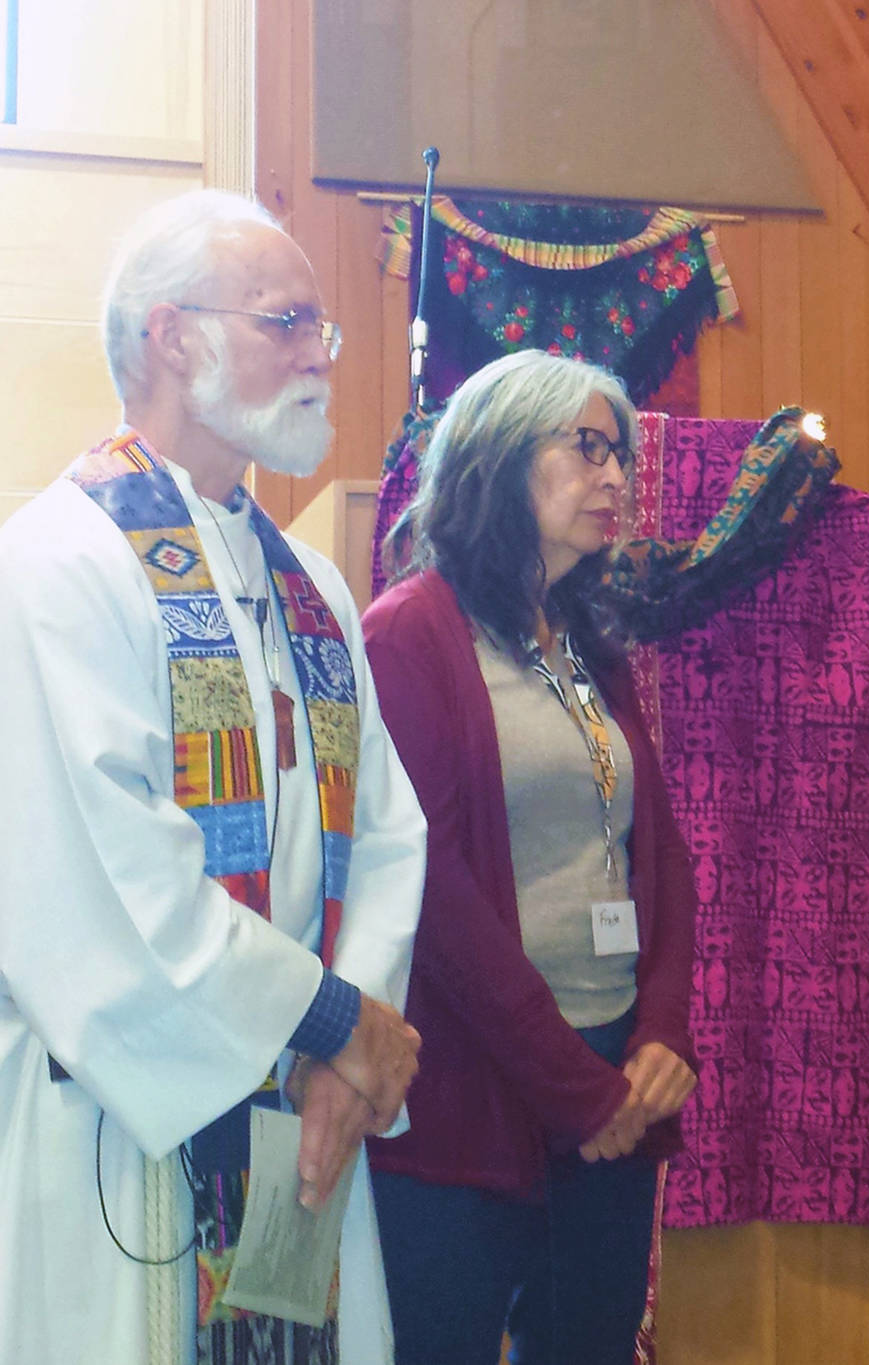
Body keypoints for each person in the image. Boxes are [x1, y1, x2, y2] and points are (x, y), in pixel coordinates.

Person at [0, 190, 427, 1363]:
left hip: (303, 1116)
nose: (320, 358)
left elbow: (388, 834)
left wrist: (343, 1046)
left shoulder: (311, 589)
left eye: (322, 331)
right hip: (124, 1132)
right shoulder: (59, 563)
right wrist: (335, 1023)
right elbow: (104, 877)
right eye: (286, 322)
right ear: (170, 336)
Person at [363, 350, 699, 1364]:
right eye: (587, 448)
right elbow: (435, 895)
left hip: (614, 1075)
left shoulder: (586, 641)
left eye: (620, 456)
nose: (615, 480)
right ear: (501, 458)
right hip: (475, 1086)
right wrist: (575, 1089)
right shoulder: (408, 634)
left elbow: (659, 854)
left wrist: (661, 1036)